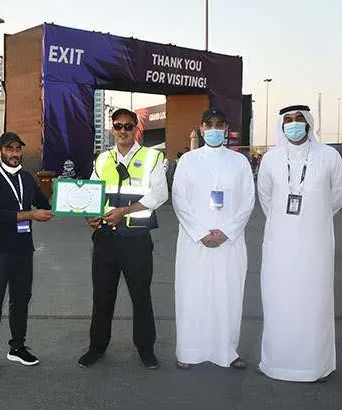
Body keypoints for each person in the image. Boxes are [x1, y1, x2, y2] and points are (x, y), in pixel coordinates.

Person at [257, 104, 342, 382]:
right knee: (279, 299)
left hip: (315, 244)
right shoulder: (271, 158)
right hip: (279, 244)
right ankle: (277, 363)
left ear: (309, 123)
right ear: (281, 125)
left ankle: (314, 366)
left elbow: (339, 195)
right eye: (288, 120)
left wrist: (314, 216)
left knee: (314, 302)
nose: (293, 124)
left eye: (299, 119)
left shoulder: (329, 156)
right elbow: (266, 197)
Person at [78, 108, 168, 369]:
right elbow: (93, 194)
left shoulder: (152, 157)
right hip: (105, 238)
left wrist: (125, 211)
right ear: (112, 129)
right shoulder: (102, 159)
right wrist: (90, 217)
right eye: (118, 126)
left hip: (136, 240)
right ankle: (97, 347)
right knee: (102, 297)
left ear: (136, 129)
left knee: (141, 297)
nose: (123, 131)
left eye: (128, 126)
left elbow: (159, 194)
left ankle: (145, 349)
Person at [172, 108, 255, 370]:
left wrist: (226, 232)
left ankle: (227, 351)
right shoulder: (188, 160)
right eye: (209, 124)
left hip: (229, 242)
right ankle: (188, 350)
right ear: (201, 127)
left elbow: (247, 201)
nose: (215, 129)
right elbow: (179, 199)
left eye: (220, 125)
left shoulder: (239, 161)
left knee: (227, 295)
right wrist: (200, 232)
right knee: (192, 294)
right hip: (194, 241)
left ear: (227, 128)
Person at [0, 132, 53, 375]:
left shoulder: (27, 179)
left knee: (21, 301)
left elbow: (44, 203)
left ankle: (17, 347)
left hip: (23, 250)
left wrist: (70, 193)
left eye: (18, 149)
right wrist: (31, 215)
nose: (15, 154)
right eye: (9, 149)